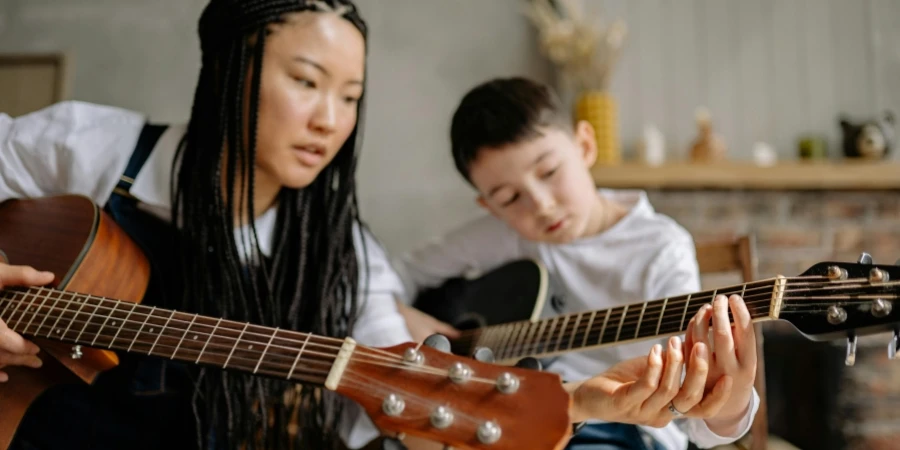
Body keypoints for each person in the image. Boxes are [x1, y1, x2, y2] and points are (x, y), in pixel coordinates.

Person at [0, 3, 747, 449]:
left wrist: (575, 406)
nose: (331, 119)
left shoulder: (344, 258)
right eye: (306, 82)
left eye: (351, 95)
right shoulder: (94, 149)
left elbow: (412, 411)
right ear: (231, 69)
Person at [393, 77, 760, 450]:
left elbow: (693, 404)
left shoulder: (660, 248)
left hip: (624, 428)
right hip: (511, 419)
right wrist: (407, 317)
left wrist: (727, 408)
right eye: (508, 197)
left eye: (550, 172)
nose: (541, 205)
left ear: (584, 145)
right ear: (490, 207)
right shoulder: (505, 235)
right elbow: (393, 276)